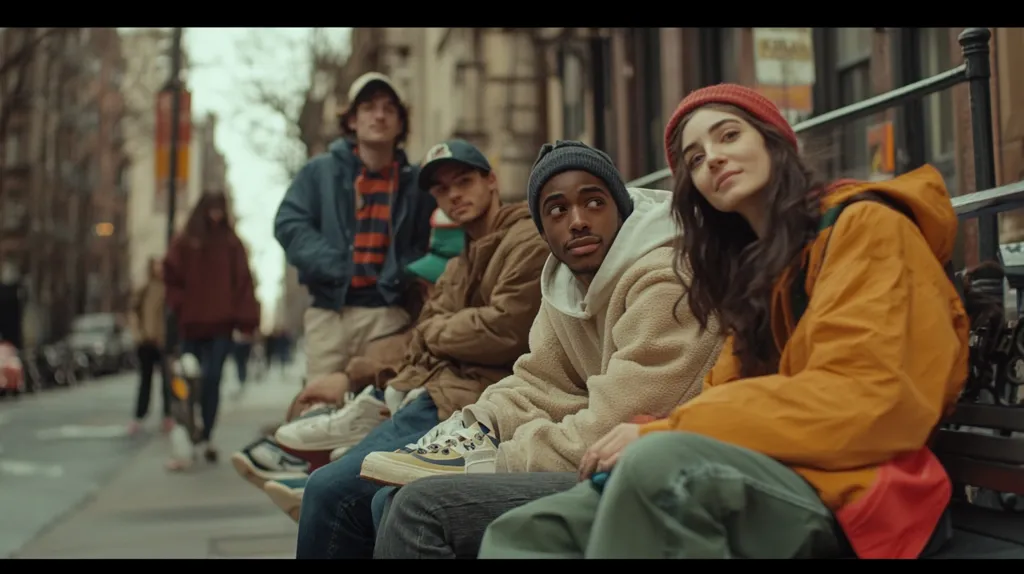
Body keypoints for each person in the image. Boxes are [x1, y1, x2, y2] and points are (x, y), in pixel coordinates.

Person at [476, 84, 972, 559]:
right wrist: (660, 429)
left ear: (775, 141)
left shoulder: (866, 229)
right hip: (768, 469)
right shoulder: (756, 270)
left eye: (729, 135)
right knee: (531, 531)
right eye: (693, 158)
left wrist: (663, 433)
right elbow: (725, 392)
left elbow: (868, 398)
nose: (711, 156)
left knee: (656, 466)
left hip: (861, 490)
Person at [370, 140, 724, 559]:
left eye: (594, 202)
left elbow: (617, 421)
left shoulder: (667, 279)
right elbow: (538, 379)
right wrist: (480, 425)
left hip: (656, 471)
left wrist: (501, 458)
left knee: (419, 507)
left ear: (621, 208)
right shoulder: (566, 284)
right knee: (384, 499)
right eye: (557, 210)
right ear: (543, 229)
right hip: (602, 455)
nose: (577, 221)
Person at [293, 138, 550, 559]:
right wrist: (367, 368)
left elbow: (504, 329)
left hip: (467, 403)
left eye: (464, 181)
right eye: (442, 189)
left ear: (491, 181)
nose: (454, 195)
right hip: (430, 393)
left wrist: (437, 331)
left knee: (329, 490)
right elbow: (425, 332)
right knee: (333, 486)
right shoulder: (458, 261)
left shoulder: (527, 240)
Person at [229, 203, 466, 494]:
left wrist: (353, 378)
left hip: (449, 406)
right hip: (426, 385)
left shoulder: (470, 303)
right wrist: (350, 375)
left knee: (344, 484)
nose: (429, 291)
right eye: (424, 285)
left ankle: (323, 469)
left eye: (437, 281)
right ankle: (318, 463)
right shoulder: (433, 311)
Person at [274, 71, 435, 386]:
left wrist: (401, 273)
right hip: (328, 314)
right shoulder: (319, 172)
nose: (379, 115)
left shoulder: (416, 183)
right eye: (369, 107)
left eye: (389, 109)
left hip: (388, 314)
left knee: (379, 407)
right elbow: (289, 223)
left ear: (400, 124)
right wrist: (336, 265)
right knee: (319, 407)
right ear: (351, 120)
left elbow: (431, 242)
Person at [163, 191, 261, 469]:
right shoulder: (186, 242)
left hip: (220, 325)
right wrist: (181, 305)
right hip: (191, 324)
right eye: (211, 209)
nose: (216, 215)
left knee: (212, 379)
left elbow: (243, 282)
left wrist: (245, 321)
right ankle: (188, 432)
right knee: (186, 382)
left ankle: (205, 435)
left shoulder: (231, 244)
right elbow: (170, 275)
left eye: (220, 209)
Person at [127, 256, 173, 435]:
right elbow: (134, 313)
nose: (159, 270)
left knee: (167, 382)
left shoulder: (170, 290)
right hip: (146, 342)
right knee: (145, 382)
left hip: (164, 343)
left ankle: (168, 416)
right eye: (156, 266)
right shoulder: (145, 289)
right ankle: (139, 416)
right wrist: (138, 335)